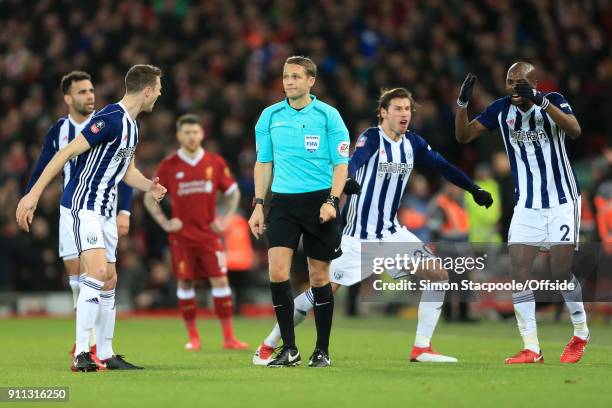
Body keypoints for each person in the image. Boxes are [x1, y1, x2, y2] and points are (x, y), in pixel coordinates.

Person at [253, 87, 493, 366]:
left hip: (392, 233)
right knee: (321, 292)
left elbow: (443, 166)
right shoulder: (371, 138)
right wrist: (348, 179)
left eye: (407, 109)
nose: (404, 114)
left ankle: (421, 348)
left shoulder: (412, 143)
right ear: (383, 112)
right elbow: (351, 161)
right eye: (398, 109)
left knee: (438, 275)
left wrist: (473, 189)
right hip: (357, 238)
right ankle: (269, 344)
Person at [16, 64, 167, 372]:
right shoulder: (109, 119)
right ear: (148, 90)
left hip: (105, 211)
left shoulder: (133, 126)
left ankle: (108, 354)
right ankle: (81, 353)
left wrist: (149, 185)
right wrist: (32, 195)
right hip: (82, 205)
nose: (161, 94)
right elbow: (65, 153)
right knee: (97, 272)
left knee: (110, 279)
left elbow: (127, 172)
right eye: (159, 88)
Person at [455, 61, 589, 364]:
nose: (514, 87)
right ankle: (531, 346)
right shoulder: (500, 110)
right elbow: (464, 136)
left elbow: (576, 130)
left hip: (561, 200)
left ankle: (580, 332)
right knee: (519, 271)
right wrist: (462, 104)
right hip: (526, 204)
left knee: (561, 271)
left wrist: (540, 100)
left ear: (535, 83)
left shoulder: (552, 101)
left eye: (521, 82)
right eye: (509, 81)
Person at [248, 55, 350, 367]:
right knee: (277, 271)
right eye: (285, 76)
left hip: (319, 201)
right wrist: (258, 204)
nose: (289, 81)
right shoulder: (269, 116)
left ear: (310, 81)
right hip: (282, 202)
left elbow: (340, 164)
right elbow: (264, 163)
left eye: (295, 76)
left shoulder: (328, 116)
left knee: (319, 275)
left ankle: (322, 350)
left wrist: (332, 201)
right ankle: (289, 349)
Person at [143, 114, 248, 351]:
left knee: (220, 281)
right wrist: (166, 223)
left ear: (202, 134)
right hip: (182, 239)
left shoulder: (215, 162)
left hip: (209, 236)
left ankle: (229, 337)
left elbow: (234, 193)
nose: (191, 136)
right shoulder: (169, 165)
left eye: (195, 132)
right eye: (186, 132)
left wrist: (227, 219)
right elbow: (150, 197)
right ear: (179, 135)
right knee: (186, 283)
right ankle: (193, 337)